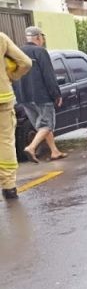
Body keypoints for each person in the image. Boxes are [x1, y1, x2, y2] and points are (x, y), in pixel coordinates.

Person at [16, 26, 65, 163]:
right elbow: (49, 75)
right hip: (41, 96)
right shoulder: (40, 52)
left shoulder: (17, 52)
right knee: (47, 125)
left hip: (24, 97)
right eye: (42, 37)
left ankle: (54, 151)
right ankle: (31, 147)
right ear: (38, 37)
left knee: (41, 126)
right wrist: (56, 94)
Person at [0, 31, 32, 200]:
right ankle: (9, 187)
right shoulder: (1, 38)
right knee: (5, 142)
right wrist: (11, 76)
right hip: (3, 99)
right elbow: (25, 62)